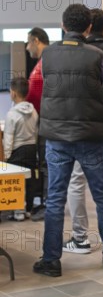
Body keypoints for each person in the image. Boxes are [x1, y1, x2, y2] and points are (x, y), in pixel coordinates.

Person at [33, 4, 103, 277]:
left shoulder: (48, 54)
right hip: (91, 135)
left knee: (55, 198)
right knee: (102, 196)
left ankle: (51, 260)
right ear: (89, 28)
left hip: (56, 137)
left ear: (63, 25)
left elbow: (46, 85)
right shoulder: (97, 55)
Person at [63, 8, 103, 255]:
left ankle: (80, 238)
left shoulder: (82, 54)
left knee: (77, 181)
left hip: (85, 128)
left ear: (87, 27)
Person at [3, 77, 38, 221]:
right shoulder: (33, 111)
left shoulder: (12, 114)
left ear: (14, 94)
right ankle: (28, 209)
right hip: (31, 148)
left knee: (17, 181)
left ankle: (18, 212)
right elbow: (36, 131)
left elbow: (8, 139)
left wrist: (5, 156)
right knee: (29, 180)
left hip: (17, 151)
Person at [26, 27, 50, 221]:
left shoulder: (49, 61)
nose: (27, 48)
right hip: (42, 121)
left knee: (48, 165)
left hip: (49, 121)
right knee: (43, 164)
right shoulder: (41, 63)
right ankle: (44, 202)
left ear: (36, 40)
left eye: (28, 43)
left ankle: (49, 205)